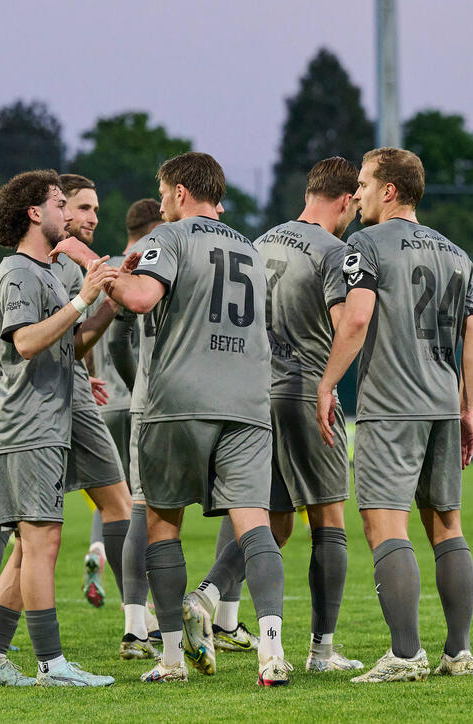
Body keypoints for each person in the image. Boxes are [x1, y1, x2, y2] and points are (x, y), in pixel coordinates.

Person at [65, 152, 291, 686]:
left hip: (178, 402)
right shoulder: (252, 249)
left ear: (182, 193)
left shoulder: (167, 238)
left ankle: (169, 659)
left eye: (164, 192)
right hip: (247, 404)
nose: (162, 202)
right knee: (255, 525)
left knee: (163, 524)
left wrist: (91, 263)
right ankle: (272, 654)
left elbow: (141, 298)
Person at [317, 147, 473, 683]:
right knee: (447, 526)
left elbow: (358, 318)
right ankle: (458, 653)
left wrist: (326, 383)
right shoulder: (456, 253)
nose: (358, 193)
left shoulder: (364, 243)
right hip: (441, 405)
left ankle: (405, 654)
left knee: (383, 525)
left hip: (391, 405)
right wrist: (466, 407)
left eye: (365, 183)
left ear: (389, 190)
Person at [0, 169, 119, 688]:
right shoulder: (17, 271)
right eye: (59, 204)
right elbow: (26, 342)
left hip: (44, 418)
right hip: (28, 423)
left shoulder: (45, 271)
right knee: (43, 541)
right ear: (36, 214)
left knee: (30, 545)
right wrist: (84, 299)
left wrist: (80, 371)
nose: (68, 214)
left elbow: (57, 343)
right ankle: (52, 665)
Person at [254, 156, 364, 674]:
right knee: (329, 521)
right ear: (344, 201)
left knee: (270, 524)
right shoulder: (337, 252)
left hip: (257, 392)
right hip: (303, 390)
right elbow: (350, 325)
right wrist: (329, 383)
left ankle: (207, 596)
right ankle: (322, 650)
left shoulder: (263, 241)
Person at [50, 174, 132, 613]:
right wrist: (111, 303)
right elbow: (62, 338)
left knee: (27, 531)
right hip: (50, 406)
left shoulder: (54, 262)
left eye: (97, 210)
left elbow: (68, 342)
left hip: (73, 395)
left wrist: (80, 371)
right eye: (84, 208)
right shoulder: (57, 263)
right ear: (59, 207)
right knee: (27, 531)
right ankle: (139, 619)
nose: (93, 217)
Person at [92, 197, 164, 659]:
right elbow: (121, 338)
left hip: (96, 400)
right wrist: (140, 386)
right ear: (155, 226)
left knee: (118, 498)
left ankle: (99, 547)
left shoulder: (102, 267)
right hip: (136, 398)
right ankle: (144, 621)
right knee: (141, 505)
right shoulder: (148, 266)